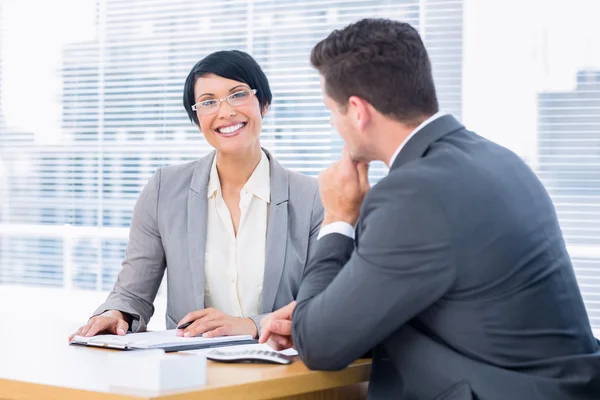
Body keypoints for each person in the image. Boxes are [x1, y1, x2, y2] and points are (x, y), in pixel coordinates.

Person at [259, 19, 600, 399]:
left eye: (331, 111)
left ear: (358, 111)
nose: (332, 123)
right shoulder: (497, 159)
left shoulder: (413, 194)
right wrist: (328, 309)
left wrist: (338, 218)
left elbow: (320, 345)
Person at [69, 50, 323, 341]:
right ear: (197, 117)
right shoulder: (164, 189)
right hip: (189, 373)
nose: (225, 111)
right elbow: (131, 294)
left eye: (238, 94)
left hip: (277, 371)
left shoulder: (312, 197)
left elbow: (323, 305)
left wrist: (251, 324)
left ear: (264, 104)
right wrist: (115, 314)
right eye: (208, 102)